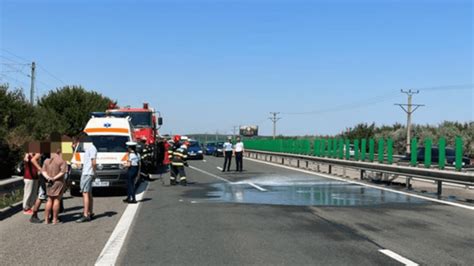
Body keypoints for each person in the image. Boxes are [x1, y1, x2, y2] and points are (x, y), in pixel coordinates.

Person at [42, 148, 67, 224]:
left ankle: (46, 219)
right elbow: (63, 172)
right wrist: (54, 178)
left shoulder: (46, 160)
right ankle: (55, 219)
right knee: (57, 200)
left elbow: (43, 171)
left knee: (49, 200)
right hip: (58, 182)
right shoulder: (61, 160)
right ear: (59, 151)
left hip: (48, 182)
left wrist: (48, 177)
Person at [76, 135, 97, 223]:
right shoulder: (89, 149)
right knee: (89, 193)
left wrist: (94, 172)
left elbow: (94, 162)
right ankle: (90, 212)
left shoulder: (92, 148)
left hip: (87, 174)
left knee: (85, 193)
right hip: (87, 172)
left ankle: (86, 214)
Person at [22, 144, 42, 215]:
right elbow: (26, 159)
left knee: (33, 193)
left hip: (35, 176)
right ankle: (25, 208)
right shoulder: (28, 156)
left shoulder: (35, 157)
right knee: (28, 193)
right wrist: (27, 154)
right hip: (28, 177)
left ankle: (31, 207)